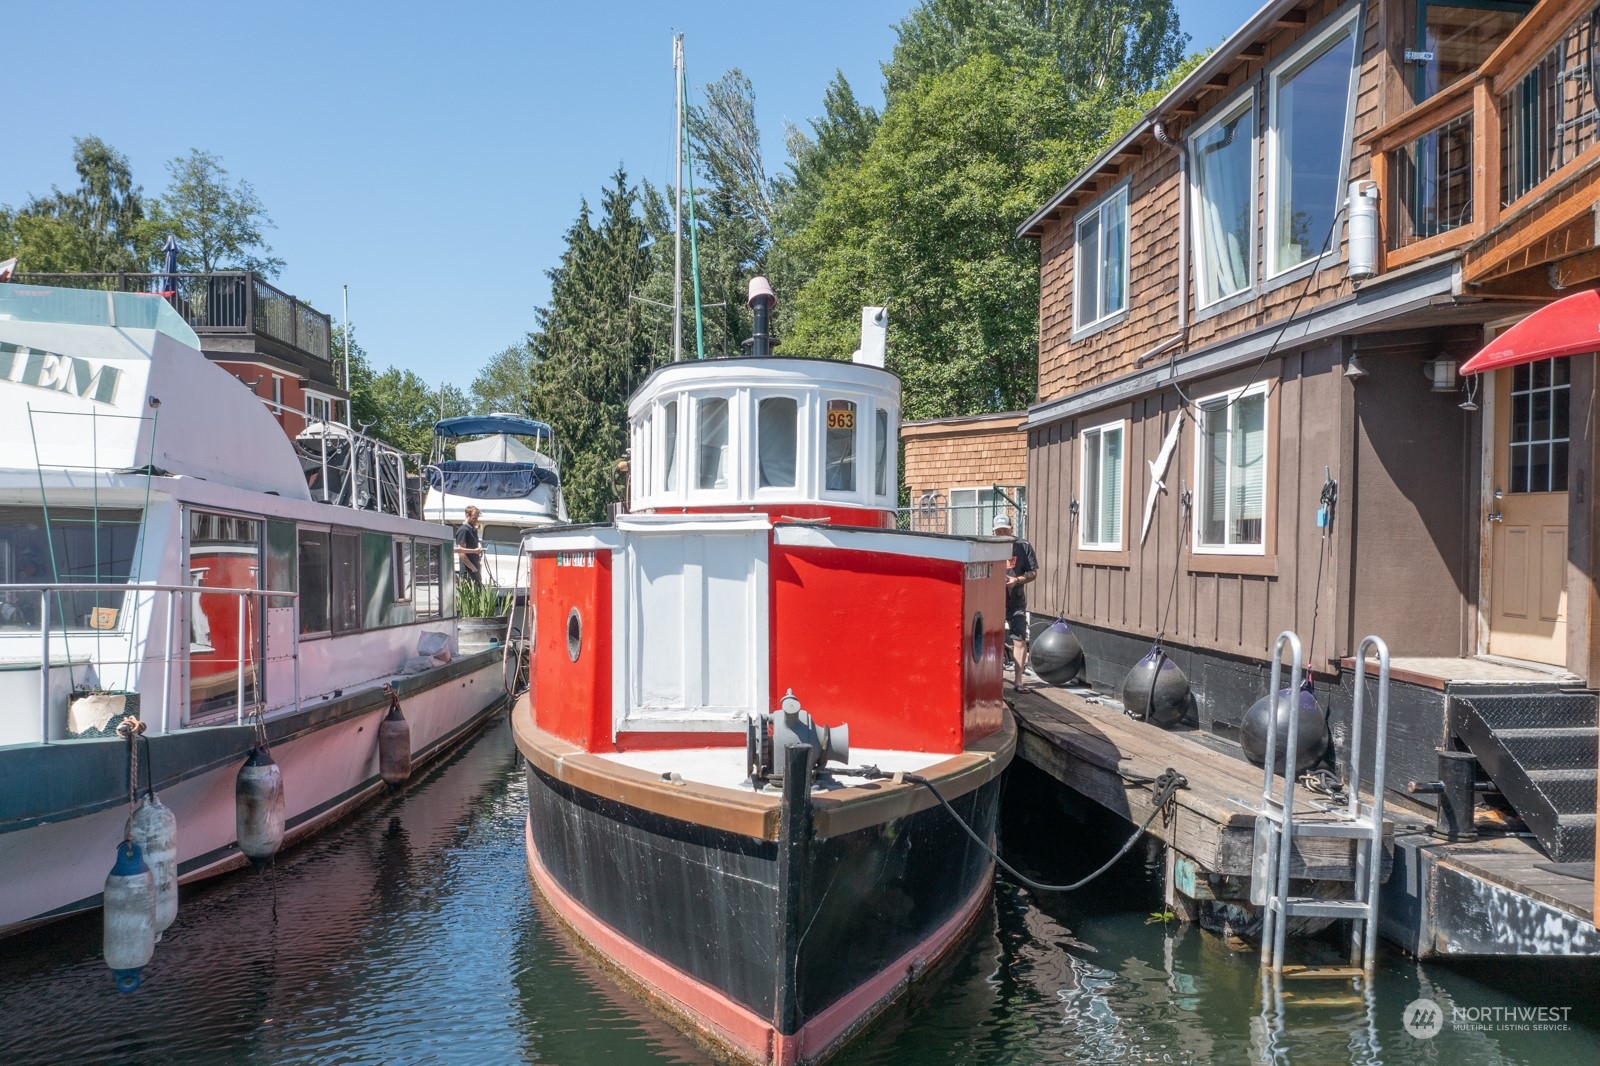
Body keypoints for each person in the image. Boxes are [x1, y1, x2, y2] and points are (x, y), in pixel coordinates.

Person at [993, 513, 1037, 691]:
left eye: (1005, 530)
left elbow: (1033, 573)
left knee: (1019, 640)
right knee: (992, 640)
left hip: (1016, 600)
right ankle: (995, 680)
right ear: (993, 532)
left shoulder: (1023, 546)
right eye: (999, 531)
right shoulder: (988, 546)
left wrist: (1016, 580)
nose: (1002, 533)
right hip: (994, 601)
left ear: (1012, 530)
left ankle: (1018, 681)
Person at [454, 506, 484, 585]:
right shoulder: (464, 530)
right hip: (468, 571)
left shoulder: (473, 530)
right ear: (467, 515)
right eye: (474, 517)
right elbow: (461, 552)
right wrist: (472, 568)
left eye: (477, 517)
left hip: (475, 568)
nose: (476, 520)